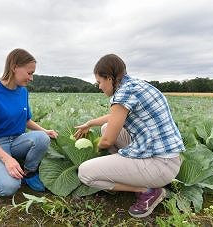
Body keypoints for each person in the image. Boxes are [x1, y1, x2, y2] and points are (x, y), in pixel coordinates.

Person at [74, 54, 184, 218]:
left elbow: (107, 141)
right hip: (169, 159)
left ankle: (147, 190)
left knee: (85, 173)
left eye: (99, 82)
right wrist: (90, 123)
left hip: (160, 166)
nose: (99, 86)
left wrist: (95, 150)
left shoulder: (122, 94)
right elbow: (114, 119)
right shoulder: (136, 85)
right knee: (106, 128)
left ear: (110, 78)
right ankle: (128, 171)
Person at [0, 48, 58, 196]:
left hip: (17, 141)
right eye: (29, 73)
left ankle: (29, 173)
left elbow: (26, 120)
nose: (31, 78)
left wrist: (45, 131)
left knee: (42, 138)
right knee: (9, 188)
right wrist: (6, 159)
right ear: (14, 67)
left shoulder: (23, 91)